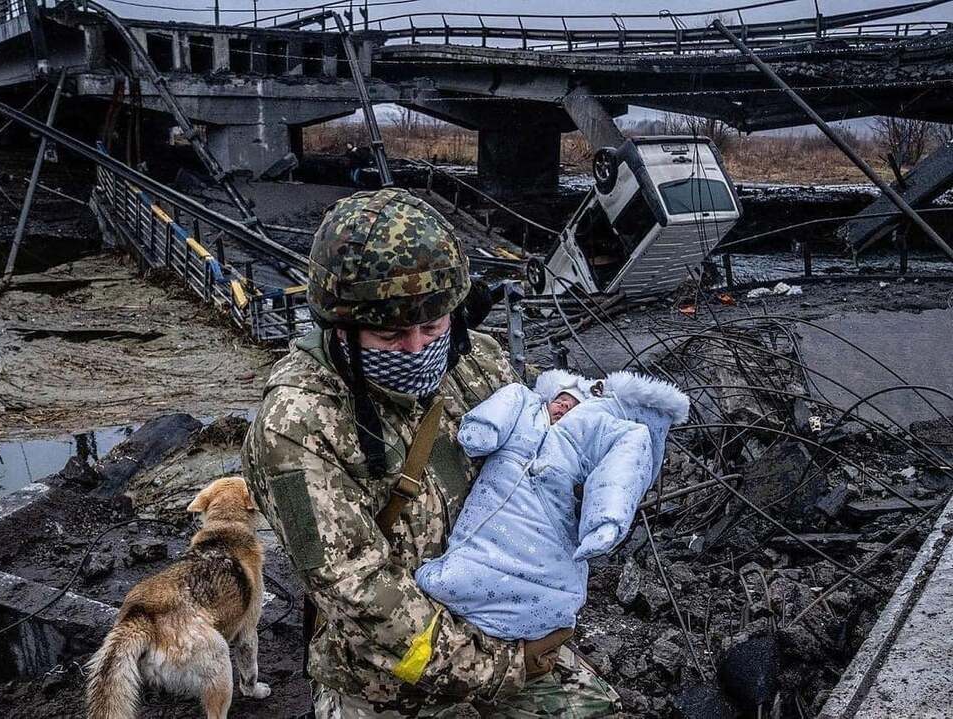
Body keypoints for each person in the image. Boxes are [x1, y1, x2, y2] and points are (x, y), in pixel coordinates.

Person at [243, 188, 621, 717]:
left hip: (498, 617)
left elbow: (539, 471)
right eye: (390, 333)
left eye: (432, 327)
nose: (417, 349)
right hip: (383, 675)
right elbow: (357, 592)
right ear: (341, 329)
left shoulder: (476, 365)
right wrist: (505, 666)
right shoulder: (298, 425)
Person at [415, 369, 690, 641]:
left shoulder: (585, 432)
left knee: (553, 580)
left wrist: (607, 519)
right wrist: (484, 428)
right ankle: (458, 588)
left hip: (549, 516)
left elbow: (623, 462)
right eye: (560, 398)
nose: (563, 406)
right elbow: (506, 402)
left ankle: (540, 617)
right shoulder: (524, 405)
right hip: (495, 508)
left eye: (573, 404)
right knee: (469, 562)